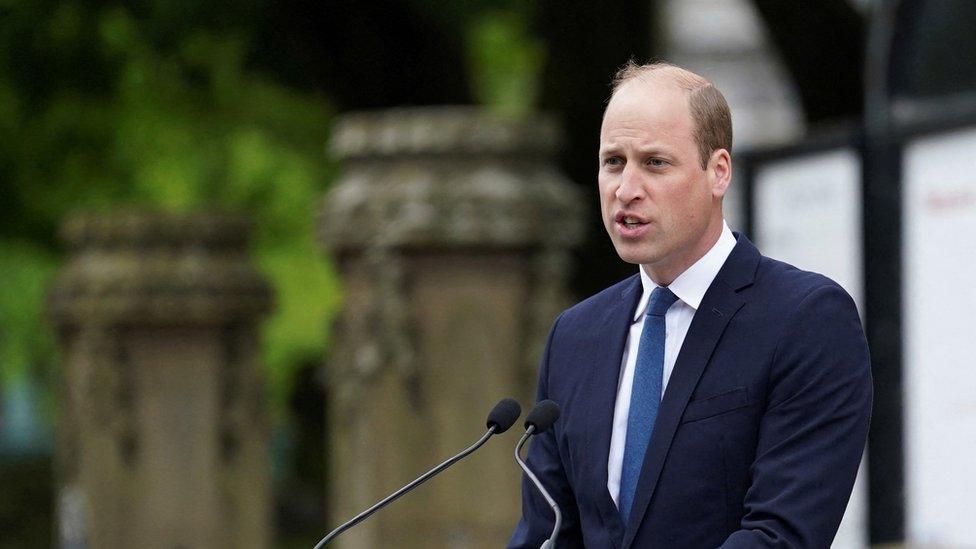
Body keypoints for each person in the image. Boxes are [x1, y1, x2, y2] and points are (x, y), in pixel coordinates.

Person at [508, 61, 872, 548]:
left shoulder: (805, 320)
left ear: (718, 172)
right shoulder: (575, 336)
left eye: (655, 163)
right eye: (613, 162)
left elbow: (781, 534)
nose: (626, 189)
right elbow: (545, 533)